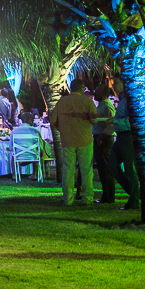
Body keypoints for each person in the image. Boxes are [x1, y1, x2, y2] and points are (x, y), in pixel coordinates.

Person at [50, 78, 98, 206]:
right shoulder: (87, 101)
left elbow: (53, 120)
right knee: (86, 170)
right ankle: (87, 198)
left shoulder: (62, 102)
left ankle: (67, 198)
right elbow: (94, 120)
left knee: (68, 170)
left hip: (68, 140)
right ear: (81, 88)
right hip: (85, 139)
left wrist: (62, 129)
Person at [110, 78, 139, 210]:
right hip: (121, 135)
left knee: (129, 168)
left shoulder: (130, 100)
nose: (113, 86)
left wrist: (115, 122)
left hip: (127, 135)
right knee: (112, 165)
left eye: (116, 83)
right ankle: (136, 194)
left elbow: (133, 121)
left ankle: (135, 197)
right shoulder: (122, 100)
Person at [92, 82, 116, 204]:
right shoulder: (101, 106)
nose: (95, 93)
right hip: (100, 138)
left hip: (104, 140)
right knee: (102, 168)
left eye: (98, 92)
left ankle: (109, 196)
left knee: (106, 168)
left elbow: (112, 125)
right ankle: (106, 195)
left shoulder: (107, 107)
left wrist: (101, 137)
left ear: (105, 94)